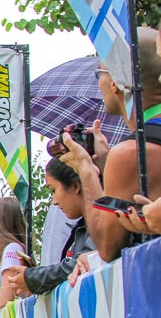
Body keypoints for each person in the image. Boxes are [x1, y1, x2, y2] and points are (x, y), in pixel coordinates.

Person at [60, 27, 161, 262]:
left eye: (99, 73)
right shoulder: (130, 155)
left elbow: (106, 246)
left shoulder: (131, 153)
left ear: (116, 83)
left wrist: (87, 170)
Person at [7, 158, 96, 296]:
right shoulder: (81, 228)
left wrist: (32, 277)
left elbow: (77, 266)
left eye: (53, 190)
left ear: (75, 185)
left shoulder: (100, 224)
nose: (54, 201)